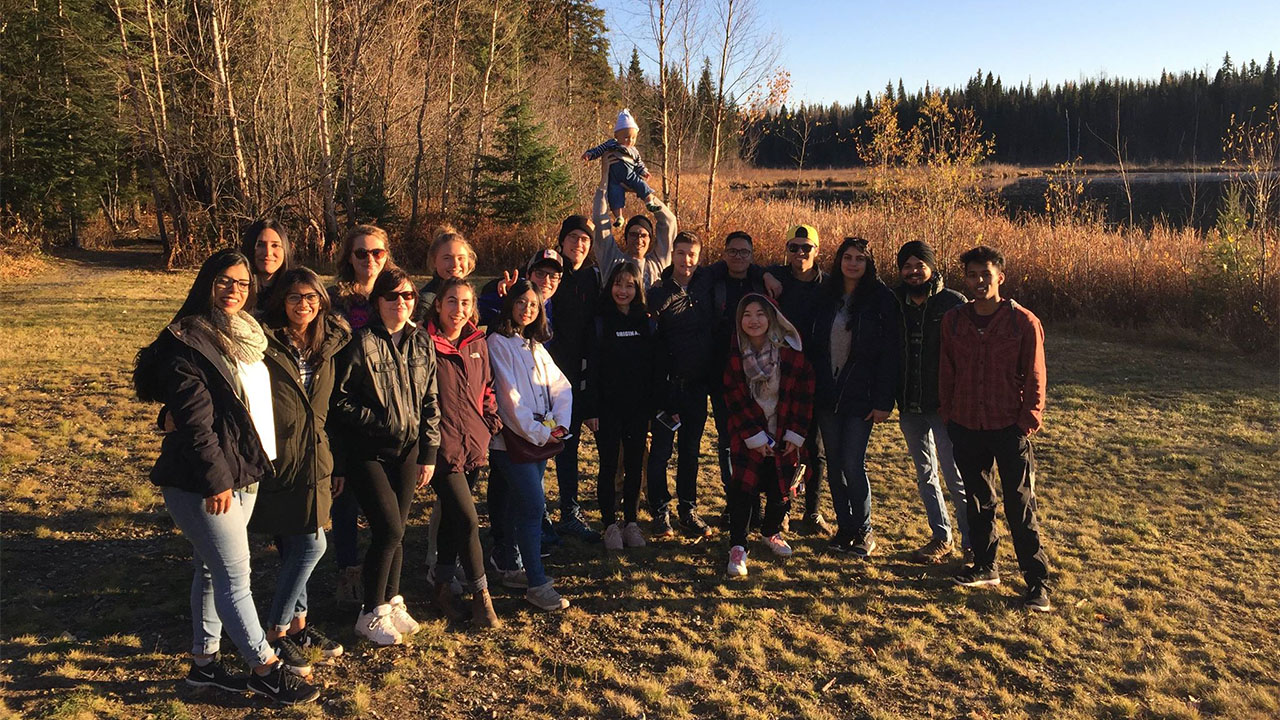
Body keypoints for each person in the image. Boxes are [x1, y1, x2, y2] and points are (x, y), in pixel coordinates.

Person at [132, 249, 319, 705]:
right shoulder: (190, 338)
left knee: (212, 571)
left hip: (246, 469)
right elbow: (196, 422)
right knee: (236, 577)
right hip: (205, 480)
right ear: (206, 283)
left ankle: (205, 666)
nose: (233, 290)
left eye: (242, 282)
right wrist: (216, 481)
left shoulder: (247, 333)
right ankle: (265, 669)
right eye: (224, 281)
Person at [330, 267, 441, 645]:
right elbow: (339, 401)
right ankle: (370, 611)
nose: (401, 302)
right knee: (388, 529)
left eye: (408, 295)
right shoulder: (360, 342)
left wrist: (429, 451)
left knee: (399, 529)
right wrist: (379, 420)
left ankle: (392, 601)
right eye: (392, 296)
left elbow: (431, 400)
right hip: (368, 451)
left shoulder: (422, 341)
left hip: (409, 451)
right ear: (378, 301)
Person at [940, 245, 1051, 612]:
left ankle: (1036, 582)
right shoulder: (954, 321)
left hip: (1008, 426)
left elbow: (1035, 376)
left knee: (1020, 505)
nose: (979, 282)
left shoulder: (1023, 322)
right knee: (977, 500)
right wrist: (949, 415)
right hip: (966, 423)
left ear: (1000, 277)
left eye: (985, 275)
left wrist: (1028, 421)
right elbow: (947, 371)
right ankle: (985, 566)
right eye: (972, 275)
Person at [252, 268, 350, 672]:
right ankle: (275, 631)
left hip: (317, 457)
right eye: (294, 297)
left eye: (311, 297)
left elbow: (333, 410)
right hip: (280, 457)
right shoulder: (265, 341)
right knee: (311, 546)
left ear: (321, 301)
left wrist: (336, 460)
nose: (303, 305)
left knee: (301, 545)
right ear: (282, 301)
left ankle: (298, 627)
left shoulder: (329, 343)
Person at [809, 237, 901, 558]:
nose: (852, 263)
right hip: (827, 392)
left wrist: (883, 401)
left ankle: (864, 529)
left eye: (859, 258)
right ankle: (845, 527)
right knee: (834, 465)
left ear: (868, 263)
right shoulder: (826, 294)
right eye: (847, 257)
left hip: (861, 394)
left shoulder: (881, 299)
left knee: (852, 462)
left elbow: (890, 354)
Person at [487, 279, 573, 612]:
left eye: (534, 305)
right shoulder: (498, 343)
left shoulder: (536, 346)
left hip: (541, 439)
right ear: (510, 304)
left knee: (517, 505)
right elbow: (509, 399)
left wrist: (559, 424)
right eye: (521, 302)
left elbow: (561, 387)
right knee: (534, 506)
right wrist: (538, 432)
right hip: (512, 441)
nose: (527, 309)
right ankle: (537, 583)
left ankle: (512, 567)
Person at [425, 278, 503, 628]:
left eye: (466, 303)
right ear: (438, 305)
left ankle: (442, 586)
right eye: (452, 302)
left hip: (473, 443)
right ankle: (481, 595)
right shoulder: (425, 343)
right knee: (469, 520)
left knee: (454, 516)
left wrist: (489, 419)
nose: (459, 310)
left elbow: (487, 386)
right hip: (441, 447)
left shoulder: (477, 342)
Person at [326, 224, 397, 606]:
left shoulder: (397, 294)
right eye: (361, 253)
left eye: (377, 253)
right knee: (345, 495)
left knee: (387, 501)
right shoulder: (333, 302)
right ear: (348, 257)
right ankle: (348, 572)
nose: (370, 260)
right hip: (345, 405)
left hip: (390, 408)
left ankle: (384, 574)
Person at [721, 294, 815, 577]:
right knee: (742, 491)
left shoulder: (791, 356)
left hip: (784, 431)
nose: (754, 320)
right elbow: (734, 399)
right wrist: (756, 437)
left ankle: (771, 532)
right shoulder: (735, 356)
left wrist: (794, 435)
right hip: (748, 433)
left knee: (780, 491)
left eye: (760, 314)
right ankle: (738, 545)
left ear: (773, 318)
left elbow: (804, 396)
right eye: (747, 314)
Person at [892, 240, 971, 564]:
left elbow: (967, 356)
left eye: (919, 265)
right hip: (910, 404)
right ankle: (941, 537)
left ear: (932, 267)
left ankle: (972, 544)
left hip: (944, 407)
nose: (913, 272)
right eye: (907, 266)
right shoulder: (895, 302)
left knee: (956, 477)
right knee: (925, 475)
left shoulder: (953, 303)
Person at [583, 262, 663, 550]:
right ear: (610, 286)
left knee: (634, 465)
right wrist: (590, 409)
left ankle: (631, 522)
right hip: (607, 410)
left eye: (630, 285)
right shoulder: (600, 322)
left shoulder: (647, 322)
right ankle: (609, 524)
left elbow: (654, 369)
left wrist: (653, 408)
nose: (623, 291)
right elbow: (590, 369)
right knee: (608, 466)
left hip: (638, 409)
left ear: (638, 289)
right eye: (618, 284)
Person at [761, 224, 830, 534]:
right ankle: (781, 508)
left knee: (814, 447)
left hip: (818, 375)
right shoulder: (777, 278)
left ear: (817, 251)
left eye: (806, 247)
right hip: (781, 374)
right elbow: (745, 269)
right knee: (780, 444)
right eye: (794, 247)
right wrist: (766, 275)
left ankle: (812, 511)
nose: (800, 252)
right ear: (786, 250)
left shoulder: (829, 285)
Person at [646, 231, 714, 538]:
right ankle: (660, 510)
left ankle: (688, 509)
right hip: (667, 387)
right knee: (661, 452)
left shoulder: (706, 284)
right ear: (672, 255)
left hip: (697, 386)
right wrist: (660, 392)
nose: (687, 260)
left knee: (691, 451)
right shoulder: (659, 293)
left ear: (699, 258)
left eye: (692, 254)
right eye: (681, 253)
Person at [699, 231, 767, 519]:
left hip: (758, 376)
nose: (738, 257)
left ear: (752, 256)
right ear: (724, 253)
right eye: (733, 251)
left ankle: (756, 501)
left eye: (744, 252)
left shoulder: (760, 282)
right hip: (722, 376)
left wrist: (762, 273)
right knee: (727, 441)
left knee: (759, 437)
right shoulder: (714, 282)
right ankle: (734, 500)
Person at [547, 216, 603, 543]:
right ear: (562, 239)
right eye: (573, 237)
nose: (578, 244)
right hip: (546, 375)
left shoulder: (594, 277)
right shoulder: (549, 271)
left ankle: (570, 512)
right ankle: (541, 515)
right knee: (544, 444)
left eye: (584, 239)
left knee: (570, 446)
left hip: (580, 376)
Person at [582, 108, 661, 228]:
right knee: (615, 196)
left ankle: (649, 203)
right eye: (626, 137)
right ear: (616, 135)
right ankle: (619, 217)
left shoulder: (634, 151)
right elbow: (598, 150)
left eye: (633, 138)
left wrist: (644, 172)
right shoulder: (611, 144)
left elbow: (639, 164)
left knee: (643, 185)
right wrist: (589, 154)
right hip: (614, 179)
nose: (630, 141)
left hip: (631, 176)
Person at [591, 185, 675, 290]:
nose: (639, 240)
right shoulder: (613, 261)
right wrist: (604, 186)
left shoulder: (658, 263)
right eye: (633, 235)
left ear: (650, 239)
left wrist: (644, 192)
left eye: (643, 235)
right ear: (626, 237)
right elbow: (600, 221)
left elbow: (669, 221)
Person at [417, 224, 477, 313]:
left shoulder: (470, 295)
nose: (455, 264)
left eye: (461, 258)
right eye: (447, 258)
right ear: (434, 261)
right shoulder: (425, 302)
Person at [242, 218, 292, 312]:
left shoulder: (296, 291)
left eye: (275, 245)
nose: (268, 252)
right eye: (260, 245)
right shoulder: (237, 292)